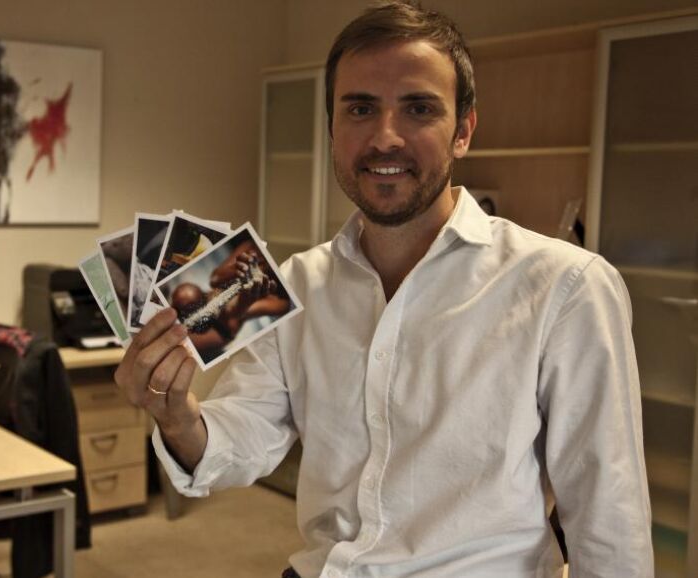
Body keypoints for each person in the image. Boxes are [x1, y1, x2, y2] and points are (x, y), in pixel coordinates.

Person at [114, 1, 652, 576]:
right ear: (332, 129)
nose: (385, 137)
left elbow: (609, 520)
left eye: (418, 108)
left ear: (463, 131)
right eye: (361, 108)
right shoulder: (296, 283)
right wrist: (177, 416)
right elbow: (246, 434)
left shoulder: (566, 287)